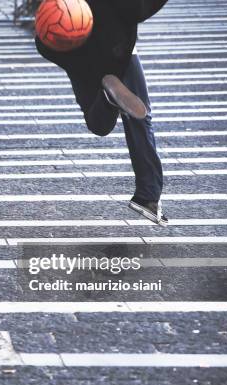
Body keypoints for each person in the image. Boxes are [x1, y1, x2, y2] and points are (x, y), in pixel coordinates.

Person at [35, 0, 169, 226]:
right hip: (114, 46)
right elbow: (138, 9)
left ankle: (107, 99)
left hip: (70, 40)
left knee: (98, 125)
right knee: (140, 118)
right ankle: (147, 196)